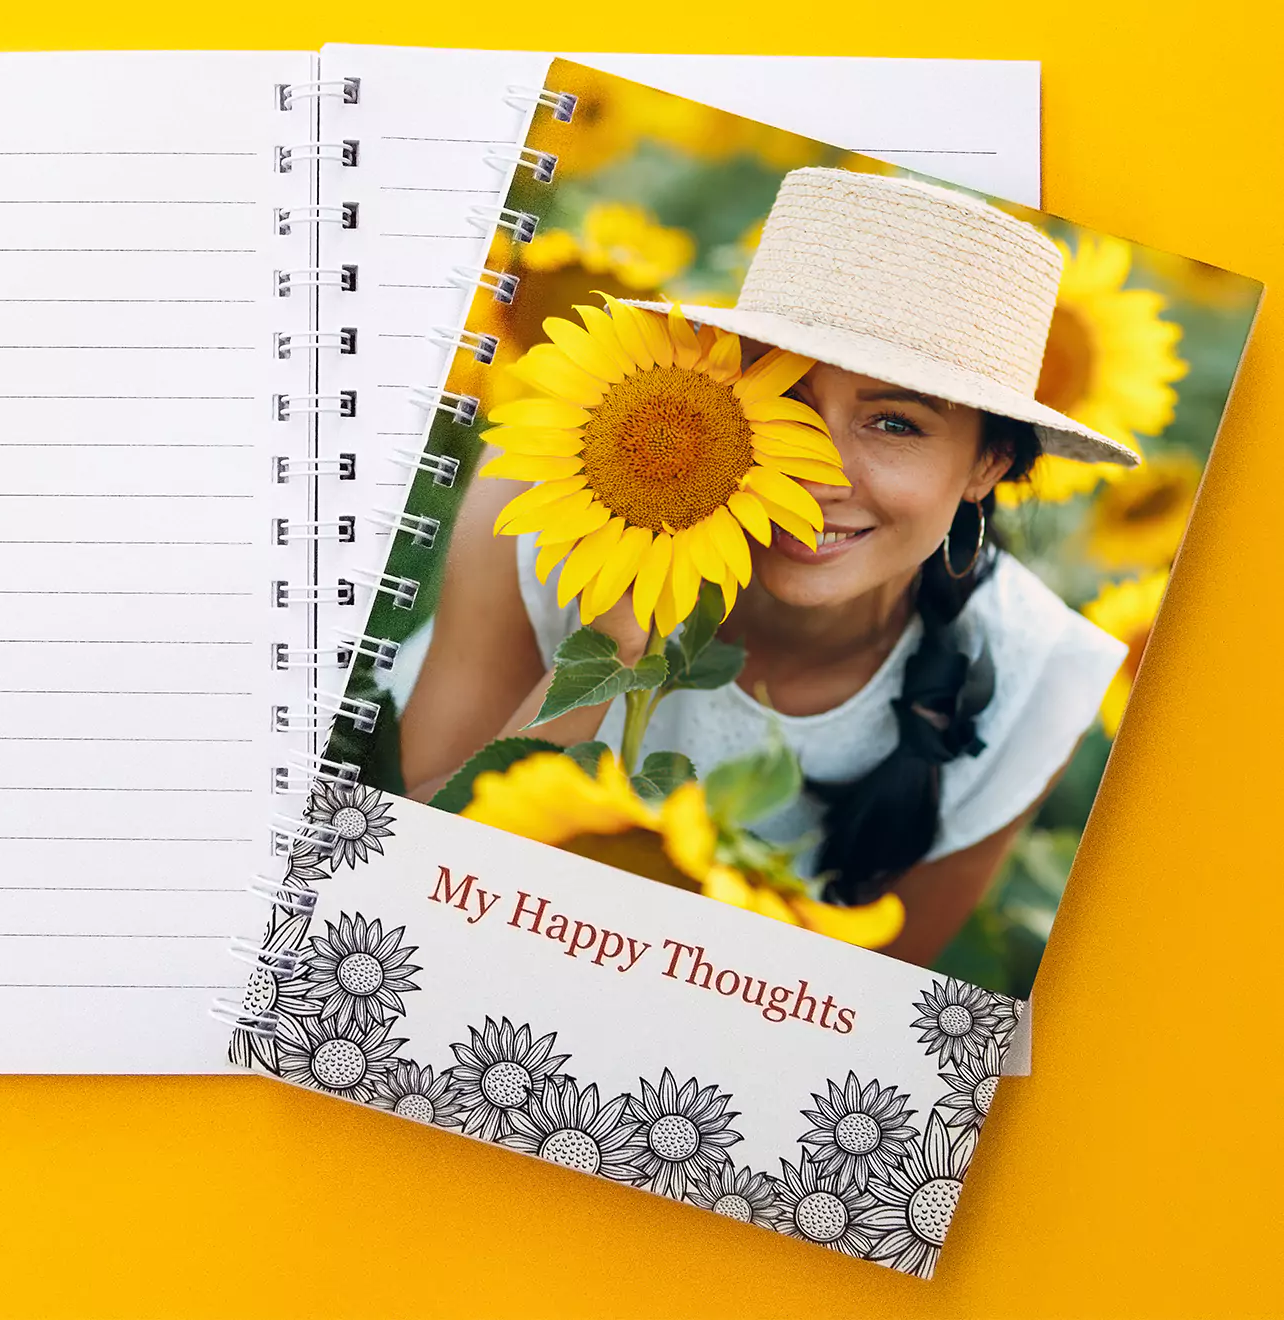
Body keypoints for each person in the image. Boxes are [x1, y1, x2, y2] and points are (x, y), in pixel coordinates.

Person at [400, 167, 1135, 969]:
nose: (816, 475)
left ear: (987, 466)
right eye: (786, 400)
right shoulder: (555, 502)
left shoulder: (1043, 678)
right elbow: (409, 881)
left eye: (894, 423)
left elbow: (879, 1004)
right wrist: (615, 633)